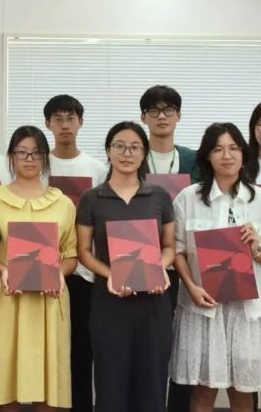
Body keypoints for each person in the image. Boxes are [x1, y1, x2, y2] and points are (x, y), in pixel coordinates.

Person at [169, 123, 261, 411]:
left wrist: (257, 250)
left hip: (247, 313)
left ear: (244, 155)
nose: (226, 155)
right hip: (203, 309)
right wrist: (191, 287)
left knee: (243, 394)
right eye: (218, 149)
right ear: (207, 156)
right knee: (202, 393)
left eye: (233, 148)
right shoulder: (188, 198)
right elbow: (177, 251)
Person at [76, 121, 174, 412]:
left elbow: (170, 247)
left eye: (134, 147)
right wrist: (111, 275)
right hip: (110, 302)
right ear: (109, 151)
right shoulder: (91, 198)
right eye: (119, 146)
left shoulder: (159, 196)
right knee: (111, 382)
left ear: (144, 154)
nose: (127, 153)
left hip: (154, 301)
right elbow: (83, 252)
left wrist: (159, 268)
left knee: (152, 382)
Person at [0, 125, 77, 411]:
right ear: (11, 156)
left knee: (48, 385)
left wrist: (59, 272)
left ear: (45, 157)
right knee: (5, 382)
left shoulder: (63, 203)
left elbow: (71, 254)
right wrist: (2, 269)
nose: (29, 158)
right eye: (22, 152)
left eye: (36, 153)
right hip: (6, 298)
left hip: (49, 300)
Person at [43, 93, 107, 412]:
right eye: (58, 118)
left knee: (81, 349)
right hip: (43, 270)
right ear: (48, 124)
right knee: (48, 350)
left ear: (81, 122)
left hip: (84, 273)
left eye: (70, 118)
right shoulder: (38, 165)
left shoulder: (97, 168)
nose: (64, 124)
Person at [139, 84, 195, 412]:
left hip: (186, 263)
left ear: (179, 116)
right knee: (151, 346)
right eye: (154, 110)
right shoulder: (132, 155)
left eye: (168, 110)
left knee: (185, 344)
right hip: (145, 263)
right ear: (143, 117)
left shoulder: (193, 159)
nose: (161, 116)